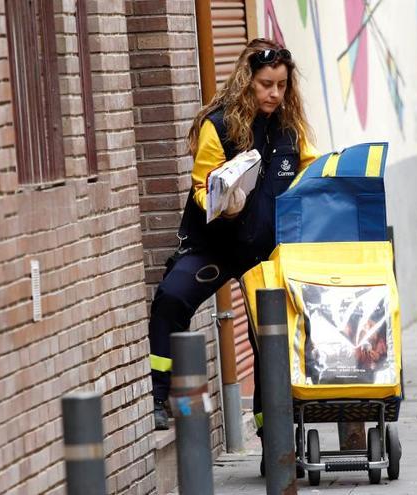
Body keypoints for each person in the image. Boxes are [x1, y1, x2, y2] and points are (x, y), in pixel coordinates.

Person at [148, 38, 320, 433]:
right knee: (172, 297)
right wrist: (225, 203)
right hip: (216, 244)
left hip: (265, 251)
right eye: (266, 84)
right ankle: (160, 395)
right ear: (247, 81)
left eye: (281, 85)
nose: (275, 93)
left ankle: (272, 432)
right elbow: (201, 185)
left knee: (268, 334)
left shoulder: (291, 128)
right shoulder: (219, 124)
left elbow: (310, 175)